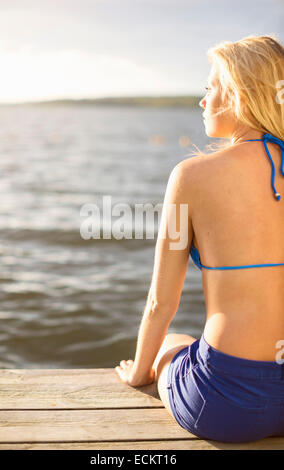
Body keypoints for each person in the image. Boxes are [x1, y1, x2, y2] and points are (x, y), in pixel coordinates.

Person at [115, 35, 284, 443]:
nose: (202, 100)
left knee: (173, 342)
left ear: (238, 93)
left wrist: (140, 373)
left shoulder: (190, 177)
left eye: (210, 87)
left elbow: (161, 301)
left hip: (224, 404)